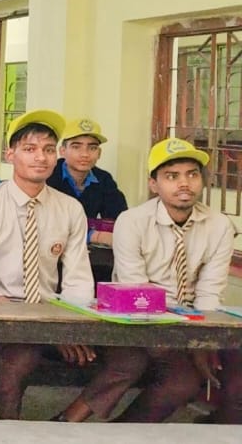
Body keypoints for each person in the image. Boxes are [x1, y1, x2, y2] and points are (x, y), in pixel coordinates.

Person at [53, 138, 236, 423]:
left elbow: (210, 291)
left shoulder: (220, 226)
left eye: (192, 174)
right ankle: (71, 421)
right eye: (172, 176)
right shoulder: (133, 222)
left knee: (195, 379)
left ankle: (124, 431)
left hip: (191, 323)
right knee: (153, 370)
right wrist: (188, 345)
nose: (183, 184)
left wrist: (202, 341)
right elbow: (136, 292)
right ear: (154, 184)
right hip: (135, 320)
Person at [0, 110, 94, 420]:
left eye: (48, 149)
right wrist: (39, 327)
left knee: (125, 360)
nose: (41, 157)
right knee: (23, 348)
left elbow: (77, 279)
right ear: (10, 154)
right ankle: (9, 426)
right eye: (30, 149)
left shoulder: (70, 209)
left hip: (51, 313)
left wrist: (64, 327)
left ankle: (68, 421)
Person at [46, 118, 127, 248]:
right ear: (62, 151)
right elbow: (46, 224)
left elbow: (120, 220)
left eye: (92, 148)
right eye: (76, 146)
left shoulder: (104, 179)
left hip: (87, 252)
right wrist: (95, 235)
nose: (85, 154)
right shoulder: (48, 176)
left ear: (99, 153)